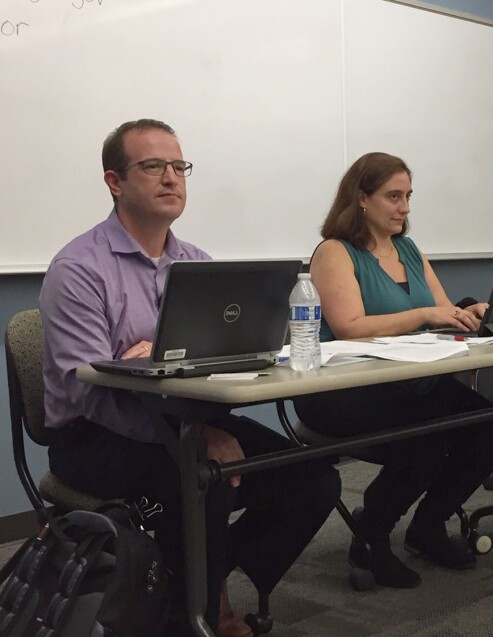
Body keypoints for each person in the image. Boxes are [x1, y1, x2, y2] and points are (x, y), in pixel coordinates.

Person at [40, 119, 341, 636]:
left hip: (189, 421)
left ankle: (199, 580)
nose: (171, 178)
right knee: (203, 485)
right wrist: (190, 435)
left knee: (314, 479)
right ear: (115, 181)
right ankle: (197, 617)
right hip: (95, 437)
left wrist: (198, 398)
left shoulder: (197, 264)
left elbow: (224, 361)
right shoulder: (78, 269)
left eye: (179, 166)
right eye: (152, 166)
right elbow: (87, 390)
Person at [292, 152, 493, 589]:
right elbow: (350, 328)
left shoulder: (408, 249)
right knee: (427, 440)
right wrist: (425, 314)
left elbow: (442, 310)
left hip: (407, 383)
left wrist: (470, 312)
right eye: (393, 196)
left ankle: (427, 526)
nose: (404, 207)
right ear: (361, 198)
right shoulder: (334, 252)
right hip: (342, 391)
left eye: (408, 196)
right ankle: (373, 532)